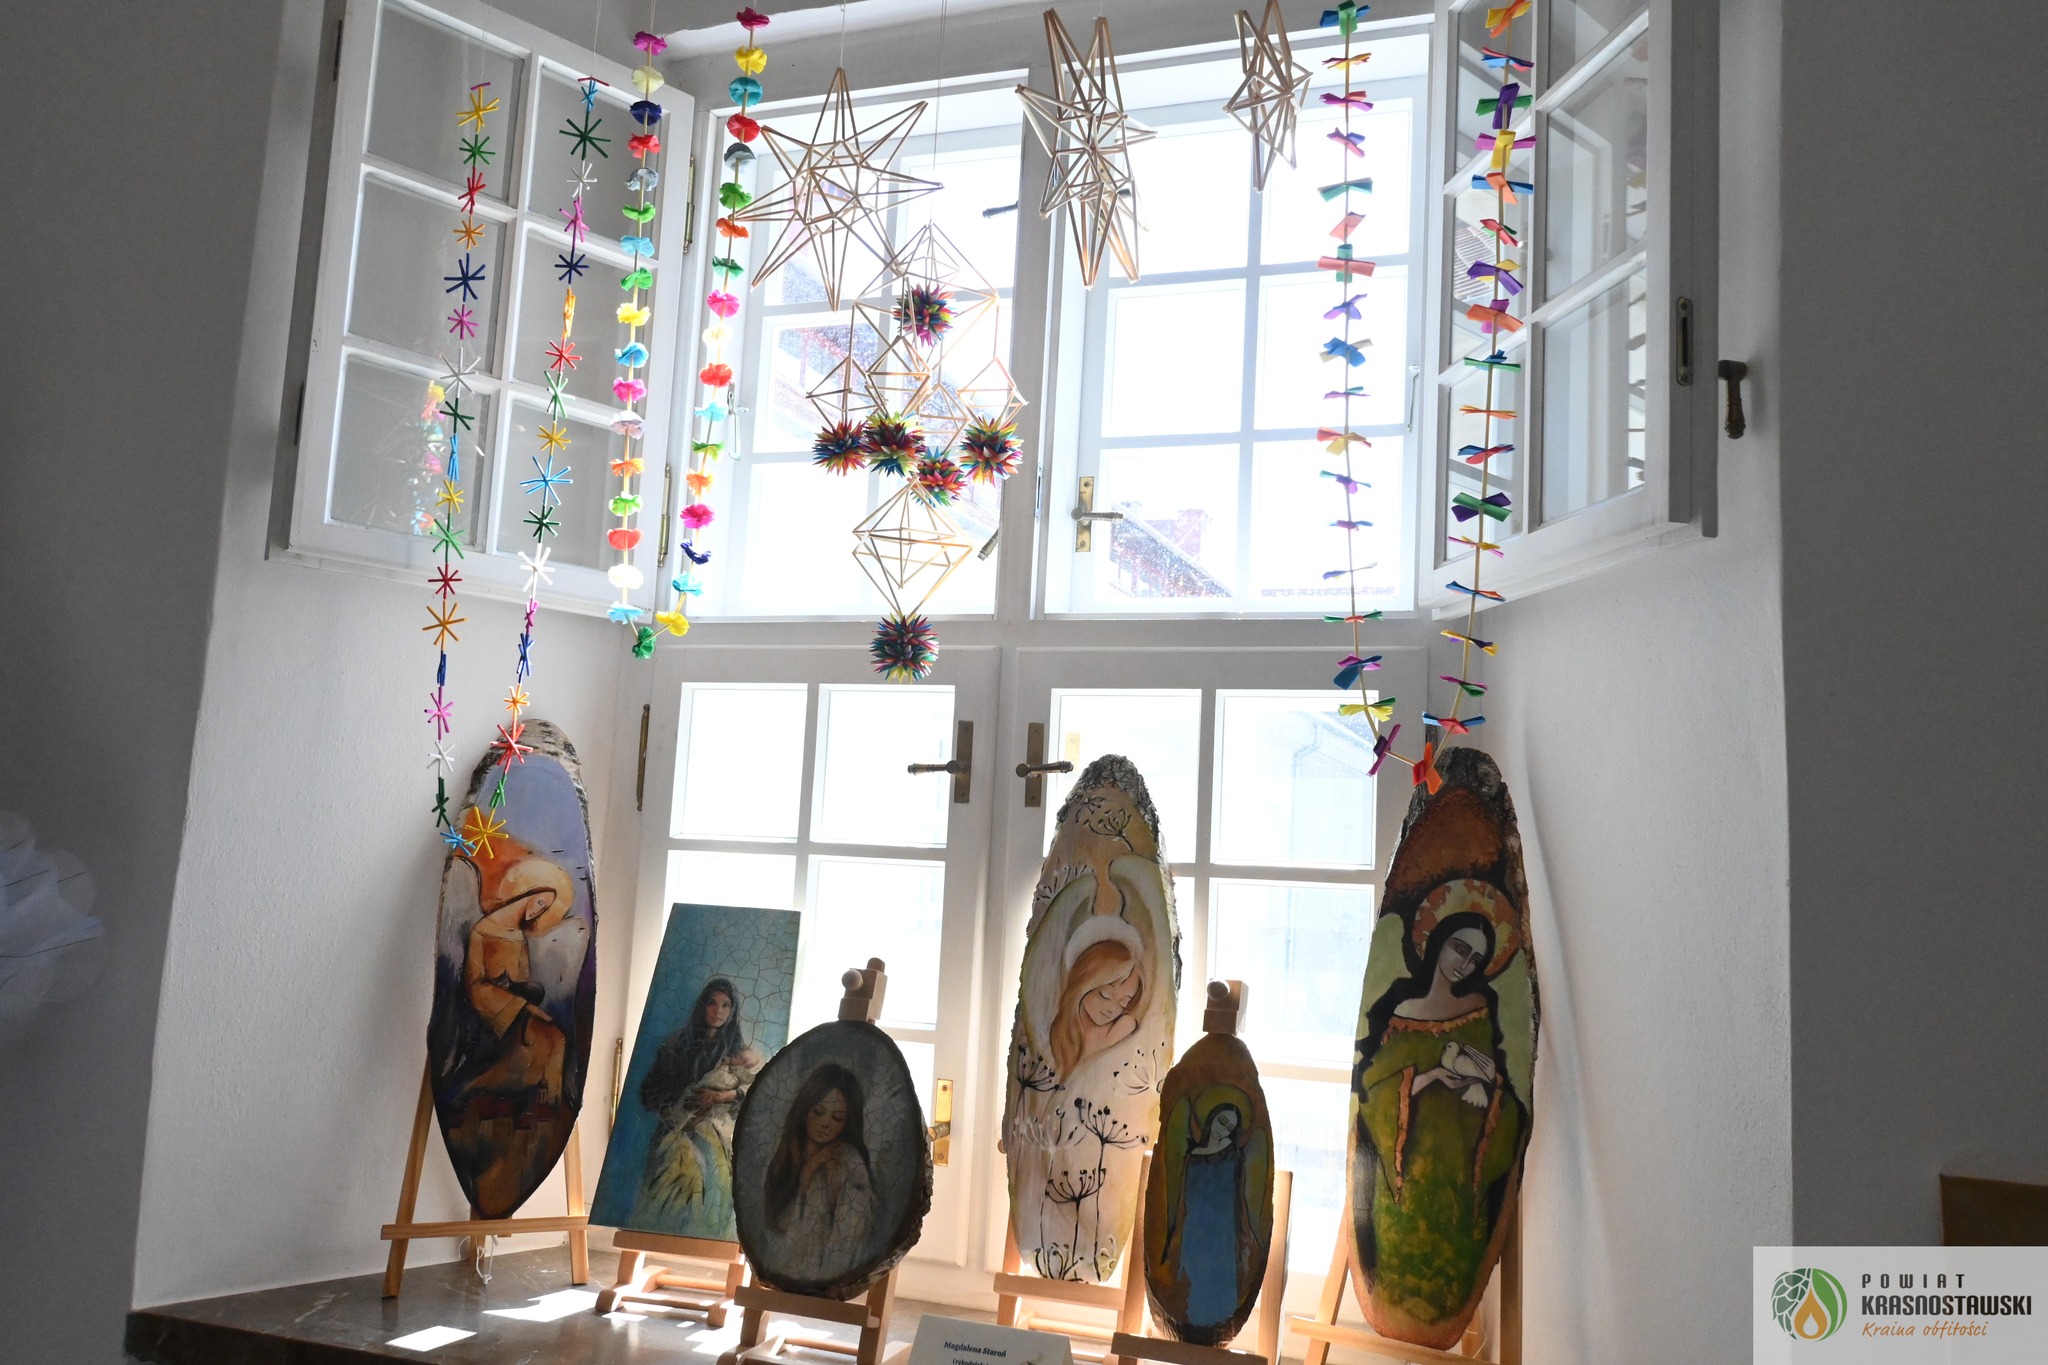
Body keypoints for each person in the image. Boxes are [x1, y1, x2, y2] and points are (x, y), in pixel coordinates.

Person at [1353, 880, 1528, 1341]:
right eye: (1459, 949)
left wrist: (1485, 1089)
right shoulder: (1401, 1011)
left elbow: (1501, 1091)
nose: (1464, 964)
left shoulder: (1479, 1011)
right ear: (1437, 940)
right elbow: (1371, 1091)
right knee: (1400, 1264)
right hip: (1403, 1181)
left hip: (1458, 1175)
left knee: (1452, 1268)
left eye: (1475, 959)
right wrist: (1428, 1078)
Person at [633, 978, 762, 1227]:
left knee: (711, 1186)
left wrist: (719, 1097)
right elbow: (650, 1092)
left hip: (717, 1135)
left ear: (732, 1010)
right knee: (671, 1183)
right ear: (702, 1006)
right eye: (712, 1003)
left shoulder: (741, 1055)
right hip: (676, 1131)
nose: (718, 1011)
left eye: (725, 1005)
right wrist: (677, 1111)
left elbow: (755, 1092)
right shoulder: (676, 1045)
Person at [458, 858, 573, 1105]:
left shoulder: (519, 936)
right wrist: (517, 1003)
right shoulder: (481, 930)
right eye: (540, 902)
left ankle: (548, 1105)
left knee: (557, 1038)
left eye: (544, 909)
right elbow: (474, 984)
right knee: (545, 1041)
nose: (539, 911)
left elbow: (522, 981)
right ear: (527, 892)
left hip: (516, 1005)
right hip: (492, 1008)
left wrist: (524, 992)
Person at [760, 1063, 877, 1283]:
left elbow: (854, 1222)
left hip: (831, 1270)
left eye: (837, 1118)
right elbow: (780, 1222)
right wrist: (811, 1168)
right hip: (788, 1268)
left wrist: (834, 1182)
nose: (826, 1124)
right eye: (819, 1112)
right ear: (805, 1110)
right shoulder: (787, 1153)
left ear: (846, 1122)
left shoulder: (849, 1159)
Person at [1165, 1103, 1259, 1336]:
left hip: (1221, 1233)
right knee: (1191, 1285)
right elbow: (1183, 1198)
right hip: (1193, 1231)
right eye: (1222, 1121)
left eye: (1229, 1127)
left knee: (1216, 1289)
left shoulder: (1233, 1157)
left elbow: (1239, 1198)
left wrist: (1244, 1237)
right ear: (1212, 1119)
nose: (1223, 1129)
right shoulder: (1193, 1155)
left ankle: (1213, 1330)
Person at [1049, 918, 1147, 1080]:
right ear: (1082, 984)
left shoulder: (1123, 1027)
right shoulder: (1060, 1031)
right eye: (1104, 995)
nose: (1112, 1009)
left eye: (1124, 1002)